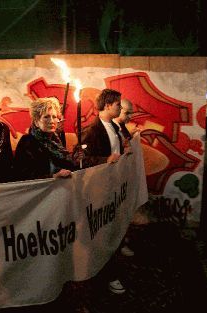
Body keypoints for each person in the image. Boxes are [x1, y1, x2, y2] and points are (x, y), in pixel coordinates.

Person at [81, 89, 129, 295]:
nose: (120, 107)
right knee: (102, 233)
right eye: (117, 104)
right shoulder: (92, 130)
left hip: (113, 189)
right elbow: (81, 160)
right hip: (99, 192)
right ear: (108, 105)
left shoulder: (114, 127)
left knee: (111, 230)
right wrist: (104, 161)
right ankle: (107, 275)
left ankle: (109, 266)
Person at [14, 97, 78, 180]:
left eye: (54, 117)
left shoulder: (57, 139)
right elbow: (23, 175)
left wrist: (76, 160)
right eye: (46, 117)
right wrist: (53, 177)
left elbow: (66, 166)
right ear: (36, 122)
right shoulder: (27, 142)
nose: (51, 121)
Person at [112, 98, 140, 257]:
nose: (130, 116)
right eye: (127, 112)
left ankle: (120, 242)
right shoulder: (110, 128)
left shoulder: (120, 127)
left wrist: (130, 136)